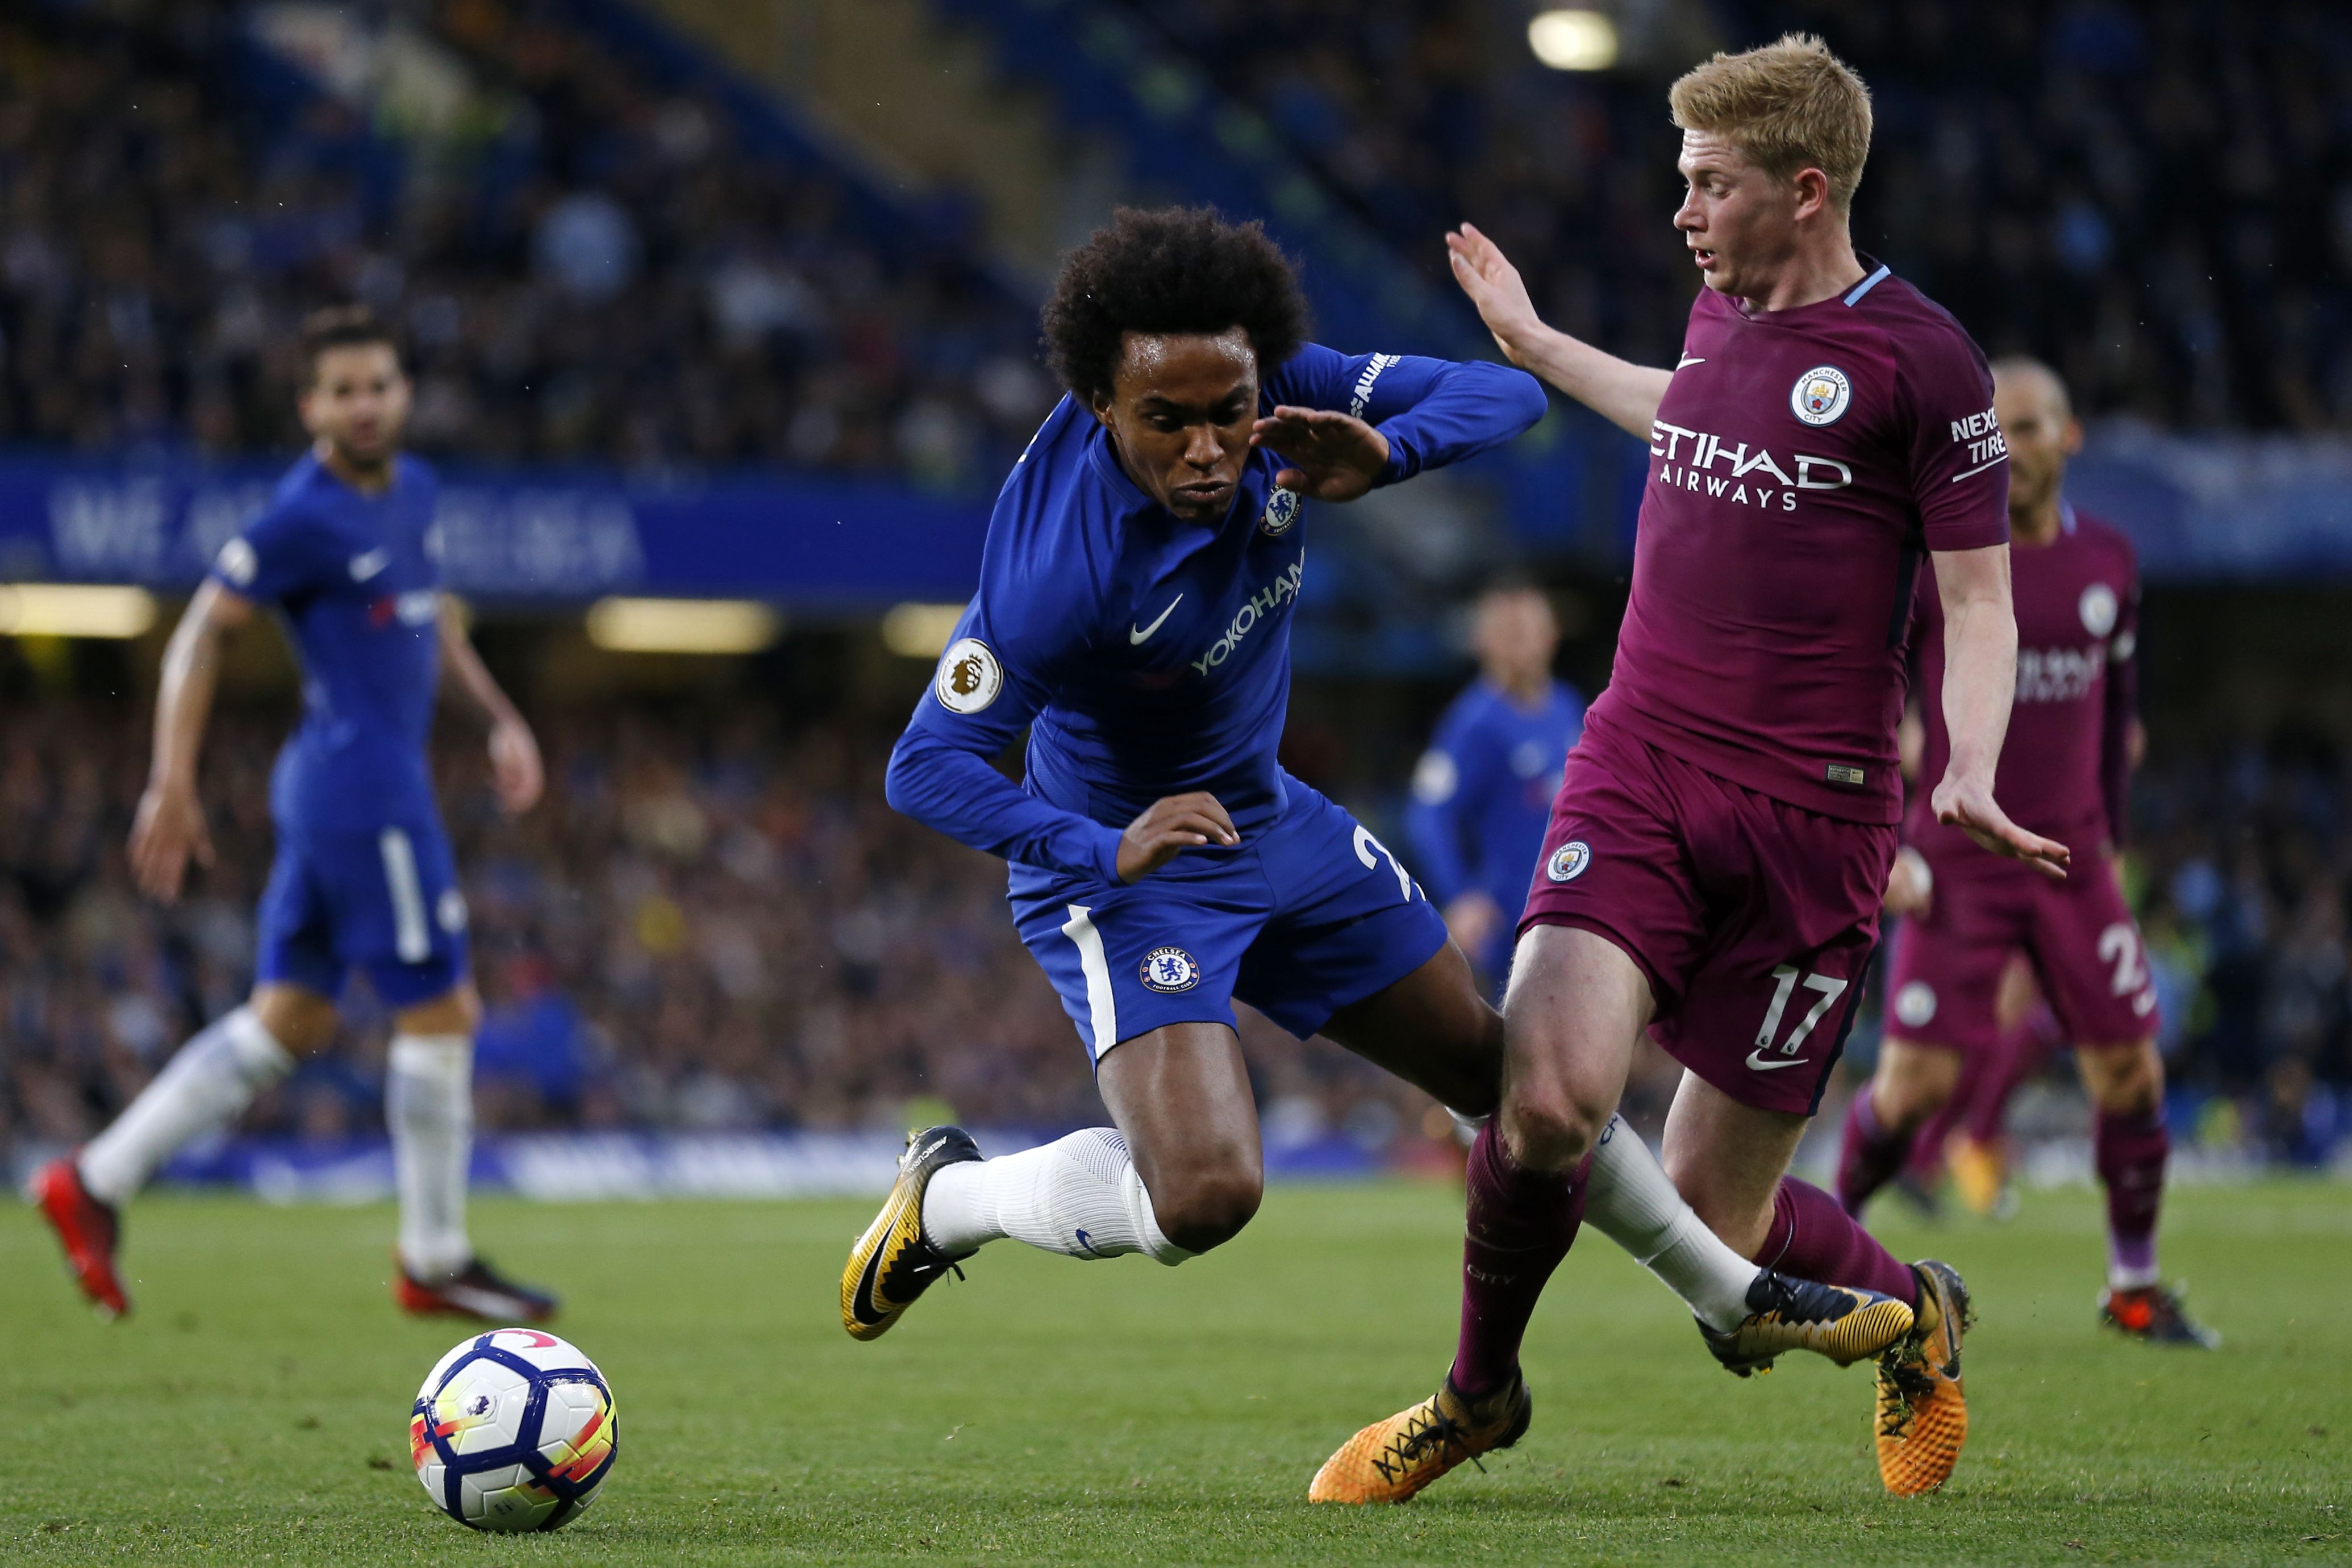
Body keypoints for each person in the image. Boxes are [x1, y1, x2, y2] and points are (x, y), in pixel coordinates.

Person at [843, 208, 1912, 1410]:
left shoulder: (1274, 387)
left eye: (1229, 413)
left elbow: (1507, 401)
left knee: (1517, 1083)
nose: (1211, 447)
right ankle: (947, 1199)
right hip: (1131, 871)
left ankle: (1730, 1298)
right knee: (1203, 1199)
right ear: (1102, 404)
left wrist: (1384, 455)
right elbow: (924, 766)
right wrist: (1100, 842)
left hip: (1271, 820)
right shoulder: (1056, 572)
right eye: (1169, 422)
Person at [1321, 35, 2066, 1503]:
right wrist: (1534, 348)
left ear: (1802, 192)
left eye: (1707, 187)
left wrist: (1969, 767)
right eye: (1680, 183)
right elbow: (1693, 411)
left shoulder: (1923, 363)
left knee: (1720, 1216)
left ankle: (1914, 1307)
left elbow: (1978, 601)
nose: (1681, 213)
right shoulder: (1718, 319)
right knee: (1542, 1102)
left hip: (1815, 823)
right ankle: (1474, 1395)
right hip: (1642, 767)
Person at [32, 306, 556, 1324]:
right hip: (365, 793)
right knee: (444, 1009)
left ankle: (93, 1181)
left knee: (291, 1018)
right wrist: (169, 780)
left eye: (380, 386)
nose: (365, 406)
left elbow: (431, 618)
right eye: (343, 391)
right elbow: (198, 637)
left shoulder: (416, 492)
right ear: (311, 406)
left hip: (344, 789)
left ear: (404, 393)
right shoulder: (298, 518)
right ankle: (435, 1255)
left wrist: (501, 719)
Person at [1834, 358, 2215, 1347]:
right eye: (1997, 430)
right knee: (1913, 1091)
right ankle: (1823, 1253)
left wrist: (2113, 851)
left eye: (2034, 426)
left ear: (2069, 438)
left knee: (2131, 1075)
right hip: (1955, 865)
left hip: (2072, 865)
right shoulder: (1936, 566)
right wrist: (1890, 844)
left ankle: (2133, 1288)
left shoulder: (2111, 566)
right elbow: (1873, 711)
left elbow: (2120, 721)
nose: (2016, 445)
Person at [1407, 581, 1586, 996]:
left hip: (1569, 903)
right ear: (1481, 642)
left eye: (1527, 631)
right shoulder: (1474, 722)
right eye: (1507, 633)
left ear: (1552, 634)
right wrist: (1461, 896)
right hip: (1509, 918)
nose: (1518, 643)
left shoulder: (1567, 706)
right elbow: (1429, 814)